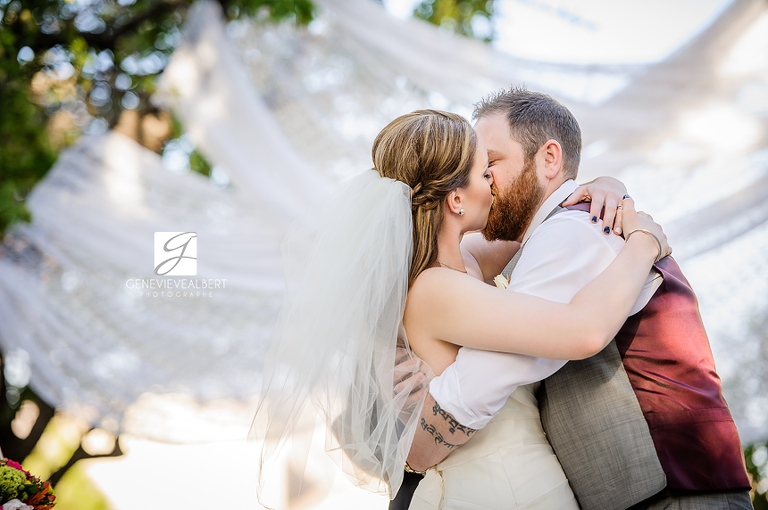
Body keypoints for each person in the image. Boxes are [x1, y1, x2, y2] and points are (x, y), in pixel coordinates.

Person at [252, 109, 670, 510]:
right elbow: (584, 331)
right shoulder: (436, 289)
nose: (494, 186)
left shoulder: (465, 259)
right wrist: (644, 241)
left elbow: (540, 215)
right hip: (501, 487)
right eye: (485, 173)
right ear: (456, 199)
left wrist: (607, 185)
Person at [402, 90, 752, 510]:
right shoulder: (547, 234)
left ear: (549, 158)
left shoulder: (571, 232)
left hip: (669, 494)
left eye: (491, 162)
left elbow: (488, 374)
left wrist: (413, 449)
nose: (487, 180)